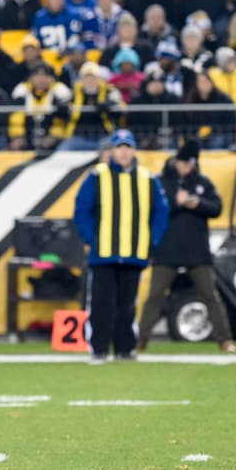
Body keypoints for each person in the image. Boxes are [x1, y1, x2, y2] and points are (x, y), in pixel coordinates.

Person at [72, 129, 169, 363]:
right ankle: (99, 348)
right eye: (120, 148)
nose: (124, 152)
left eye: (128, 147)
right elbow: (81, 210)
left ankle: (125, 348)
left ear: (134, 150)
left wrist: (151, 240)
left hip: (134, 252)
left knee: (127, 304)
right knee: (101, 303)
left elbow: (161, 213)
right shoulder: (97, 176)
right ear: (112, 151)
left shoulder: (148, 179)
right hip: (103, 253)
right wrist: (91, 238)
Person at [137, 140, 236, 353]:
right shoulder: (162, 182)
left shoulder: (203, 183)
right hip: (167, 249)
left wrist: (197, 203)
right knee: (155, 295)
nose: (186, 167)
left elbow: (216, 207)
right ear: (176, 161)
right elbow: (153, 209)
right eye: (183, 163)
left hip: (197, 251)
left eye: (190, 163)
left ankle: (225, 340)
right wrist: (177, 202)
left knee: (210, 295)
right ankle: (141, 338)